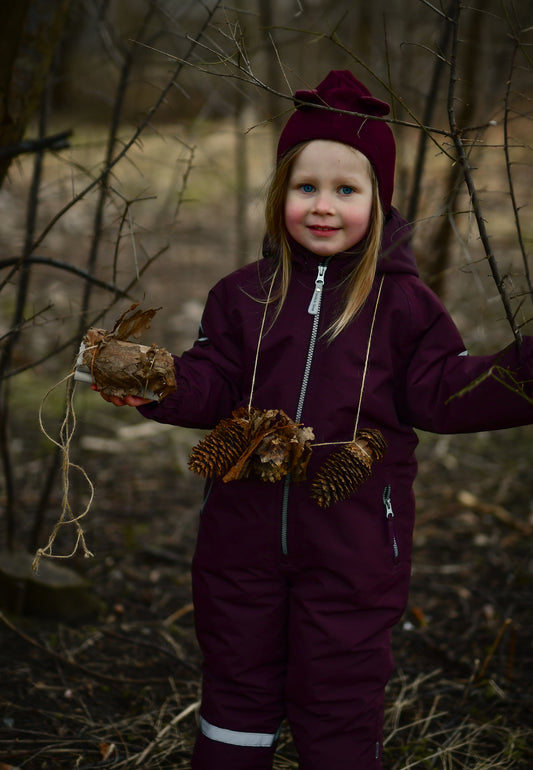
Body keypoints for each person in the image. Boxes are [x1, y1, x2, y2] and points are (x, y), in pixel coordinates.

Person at [94, 71, 533, 770]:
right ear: (279, 196)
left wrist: (521, 374)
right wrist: (159, 380)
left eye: (345, 190)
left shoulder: (405, 307)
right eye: (305, 188)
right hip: (240, 544)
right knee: (237, 688)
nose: (322, 207)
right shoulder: (241, 295)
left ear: (379, 202)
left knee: (338, 700)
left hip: (355, 549)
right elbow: (213, 382)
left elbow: (444, 392)